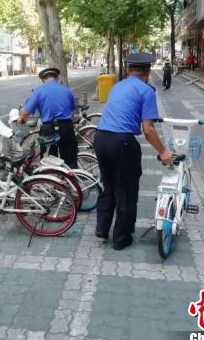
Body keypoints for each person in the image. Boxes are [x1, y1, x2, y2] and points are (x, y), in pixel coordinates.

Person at [94, 53, 174, 250]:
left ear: (128, 70)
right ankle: (121, 239)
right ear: (148, 71)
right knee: (126, 191)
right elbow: (148, 129)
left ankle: (102, 228)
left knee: (109, 185)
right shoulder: (146, 90)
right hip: (122, 142)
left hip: (100, 138)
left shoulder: (117, 86)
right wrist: (164, 151)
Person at [17, 67, 78, 168]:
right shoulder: (66, 90)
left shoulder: (39, 91)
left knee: (49, 162)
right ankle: (71, 176)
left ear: (43, 79)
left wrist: (20, 118)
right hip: (67, 127)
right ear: (57, 78)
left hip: (49, 129)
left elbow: (25, 112)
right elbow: (72, 108)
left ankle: (52, 176)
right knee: (70, 160)